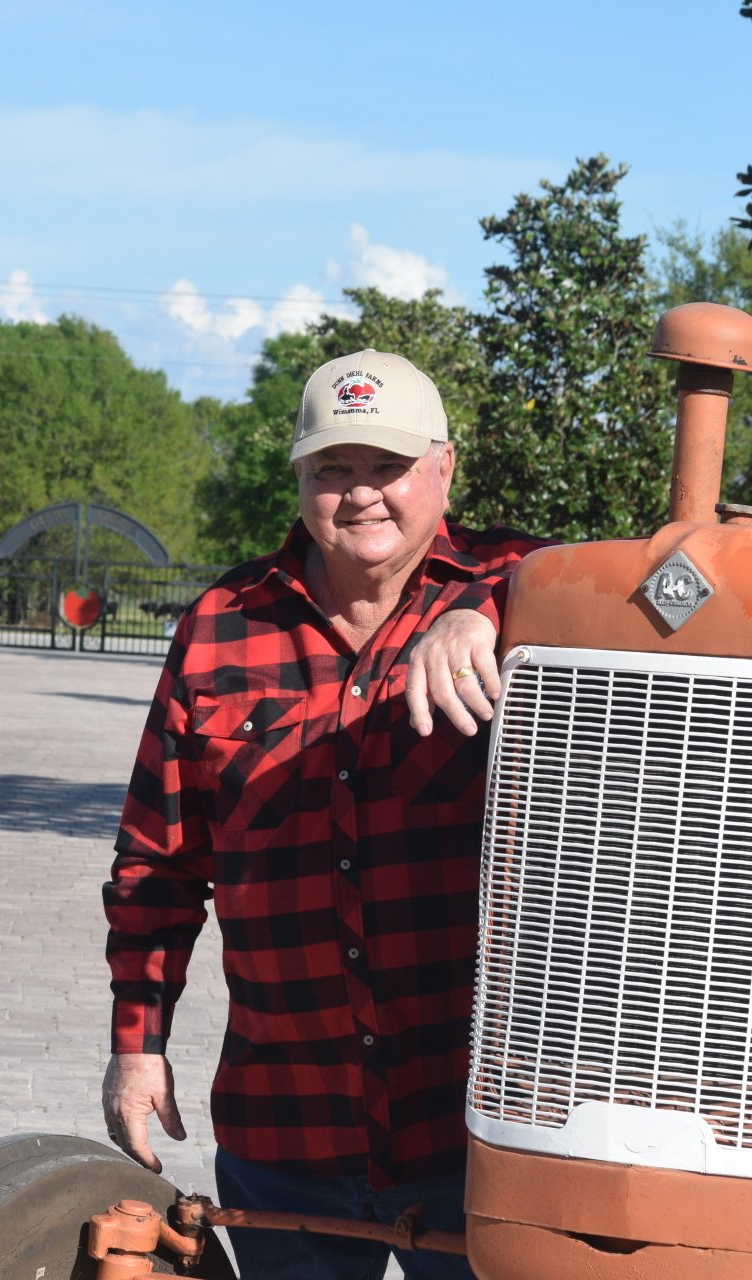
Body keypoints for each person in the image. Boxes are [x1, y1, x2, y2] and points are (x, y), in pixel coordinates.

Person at [101, 348, 550, 1279]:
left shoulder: (531, 593)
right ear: (301, 478)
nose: (362, 494)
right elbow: (158, 861)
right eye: (334, 469)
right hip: (286, 1128)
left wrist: (490, 610)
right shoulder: (221, 626)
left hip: (474, 1126)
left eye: (388, 466)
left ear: (444, 468)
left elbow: (649, 585)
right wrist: (138, 1048)